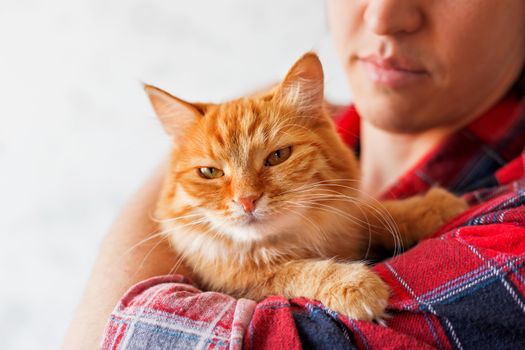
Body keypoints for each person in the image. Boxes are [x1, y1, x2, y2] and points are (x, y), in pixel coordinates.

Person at [62, 1, 525, 349]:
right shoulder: (317, 125)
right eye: (209, 171)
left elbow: (128, 338)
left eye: (277, 157)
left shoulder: (513, 225)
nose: (383, 17)